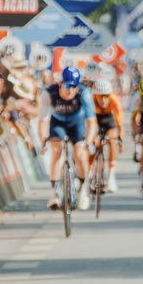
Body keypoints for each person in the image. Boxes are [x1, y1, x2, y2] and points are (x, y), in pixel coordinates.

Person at [38, 67, 97, 211]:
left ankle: (83, 189)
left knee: (80, 155)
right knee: (56, 151)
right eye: (67, 86)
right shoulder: (49, 93)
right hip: (58, 123)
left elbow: (91, 122)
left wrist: (88, 142)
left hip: (76, 123)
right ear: (60, 84)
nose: (70, 90)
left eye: (74, 87)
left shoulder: (84, 93)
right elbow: (42, 121)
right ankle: (54, 194)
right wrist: (43, 141)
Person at [91, 77, 125, 193]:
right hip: (95, 119)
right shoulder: (91, 99)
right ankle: (89, 174)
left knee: (112, 141)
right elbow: (88, 121)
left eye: (106, 96)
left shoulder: (114, 99)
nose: (104, 100)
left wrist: (121, 139)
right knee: (93, 146)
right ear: (96, 95)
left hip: (108, 120)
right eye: (100, 96)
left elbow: (120, 122)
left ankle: (111, 177)